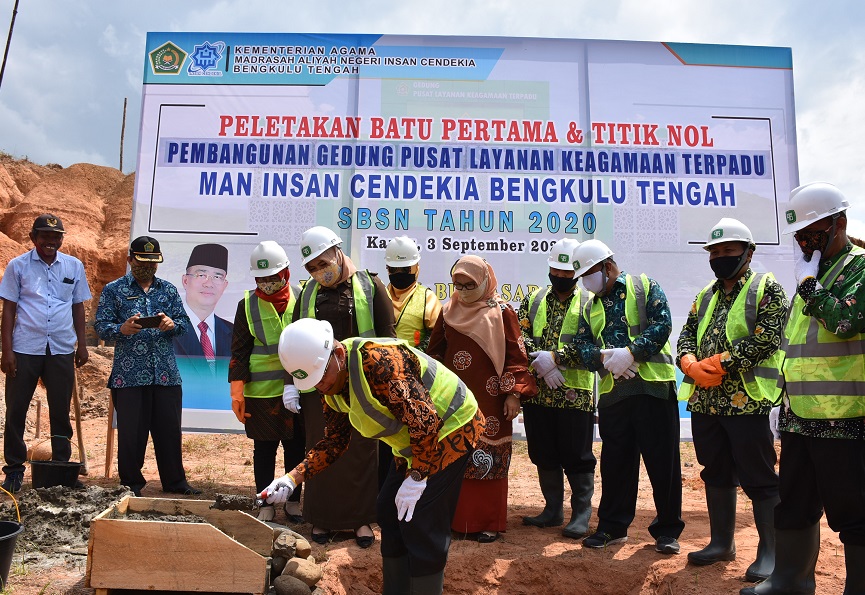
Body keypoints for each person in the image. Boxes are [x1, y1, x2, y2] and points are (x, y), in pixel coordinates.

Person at [266, 317, 484, 595]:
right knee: (389, 511)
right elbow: (334, 441)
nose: (319, 386)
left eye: (321, 377)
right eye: (311, 382)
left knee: (422, 522)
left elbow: (426, 422)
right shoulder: (329, 382)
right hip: (414, 443)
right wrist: (292, 478)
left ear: (339, 355)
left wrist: (417, 477)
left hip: (452, 427)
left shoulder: (380, 364)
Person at [742, 182, 865, 595]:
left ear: (840, 224)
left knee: (855, 513)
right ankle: (790, 581)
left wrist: (811, 287)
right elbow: (793, 346)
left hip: (847, 419)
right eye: (799, 235)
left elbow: (846, 322)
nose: (805, 241)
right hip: (800, 417)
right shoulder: (811, 274)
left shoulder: (859, 268)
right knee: (794, 503)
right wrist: (782, 400)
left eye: (813, 231)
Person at [677, 218, 787, 582]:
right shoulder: (705, 295)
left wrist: (722, 362)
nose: (720, 257)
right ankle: (721, 543)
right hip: (707, 402)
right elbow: (686, 336)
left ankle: (771, 552)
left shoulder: (765, 288)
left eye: (729, 251)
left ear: (748, 253)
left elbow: (768, 338)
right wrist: (689, 362)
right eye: (715, 252)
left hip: (747, 401)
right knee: (716, 472)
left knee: (758, 477)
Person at [571, 239, 684, 554]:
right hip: (613, 394)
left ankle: (667, 531)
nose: (586, 282)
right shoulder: (589, 304)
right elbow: (581, 346)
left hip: (653, 387)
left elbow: (663, 324)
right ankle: (612, 527)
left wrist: (632, 352)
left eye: (589, 273)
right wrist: (607, 359)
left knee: (663, 461)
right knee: (616, 463)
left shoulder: (644, 286)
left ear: (607, 266)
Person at [293, 225, 396, 547]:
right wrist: (291, 384)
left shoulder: (370, 284)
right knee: (322, 446)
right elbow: (296, 341)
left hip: (361, 385)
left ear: (337, 253)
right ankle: (322, 521)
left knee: (362, 451)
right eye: (312, 268)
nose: (319, 272)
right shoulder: (307, 294)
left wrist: (385, 380)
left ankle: (360, 521)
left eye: (323, 263)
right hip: (320, 387)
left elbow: (388, 336)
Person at [428, 255, 537, 543]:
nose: (463, 291)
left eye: (470, 285)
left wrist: (514, 394)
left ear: (485, 281)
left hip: (491, 401)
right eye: (458, 285)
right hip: (453, 399)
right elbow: (435, 353)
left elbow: (517, 355)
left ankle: (488, 522)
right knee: (453, 457)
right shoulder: (448, 309)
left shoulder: (502, 312)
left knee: (489, 458)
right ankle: (456, 522)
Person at [94, 236, 200, 497]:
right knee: (131, 434)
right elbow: (100, 325)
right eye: (142, 262)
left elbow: (185, 323)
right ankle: (131, 485)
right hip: (129, 376)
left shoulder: (169, 290)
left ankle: (176, 482)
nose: (147, 267)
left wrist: (171, 325)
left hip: (166, 375)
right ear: (130, 260)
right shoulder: (114, 290)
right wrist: (122, 328)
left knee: (169, 433)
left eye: (153, 263)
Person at [0, 214, 91, 493]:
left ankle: (61, 468)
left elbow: (78, 306)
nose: (51, 241)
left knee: (61, 411)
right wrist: (6, 352)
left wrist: (83, 343)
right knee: (17, 409)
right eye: (45, 236)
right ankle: (14, 469)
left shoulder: (74, 266)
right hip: (25, 348)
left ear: (62, 238)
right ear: (33, 238)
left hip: (61, 348)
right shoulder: (18, 267)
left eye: (56, 236)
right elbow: (9, 310)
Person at [518, 239, 596, 539]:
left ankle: (581, 514)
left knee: (577, 455)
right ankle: (552, 510)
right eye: (556, 270)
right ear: (549, 267)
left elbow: (592, 343)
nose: (561, 277)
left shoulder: (590, 302)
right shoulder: (534, 300)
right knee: (543, 451)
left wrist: (557, 360)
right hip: (540, 392)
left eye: (567, 272)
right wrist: (539, 362)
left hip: (575, 393)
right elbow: (519, 334)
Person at [228, 241, 304, 522]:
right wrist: (237, 392)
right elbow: (239, 352)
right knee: (264, 448)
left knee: (296, 446)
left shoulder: (303, 297)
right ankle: (266, 501)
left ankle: (294, 501)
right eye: (262, 279)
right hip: (261, 393)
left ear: (286, 271)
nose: (268, 283)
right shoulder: (246, 305)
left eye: (273, 277)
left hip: (299, 387)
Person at [174, 243, 233, 359]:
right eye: (201, 275)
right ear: (185, 281)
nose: (209, 284)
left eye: (217, 277)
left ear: (225, 285)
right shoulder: (165, 328)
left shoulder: (234, 333)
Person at [384, 236, 441, 352]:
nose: (399, 274)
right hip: (383, 364)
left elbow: (437, 335)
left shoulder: (427, 298)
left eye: (405, 269)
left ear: (416, 268)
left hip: (416, 366)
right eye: (393, 269)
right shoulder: (380, 295)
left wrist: (415, 356)